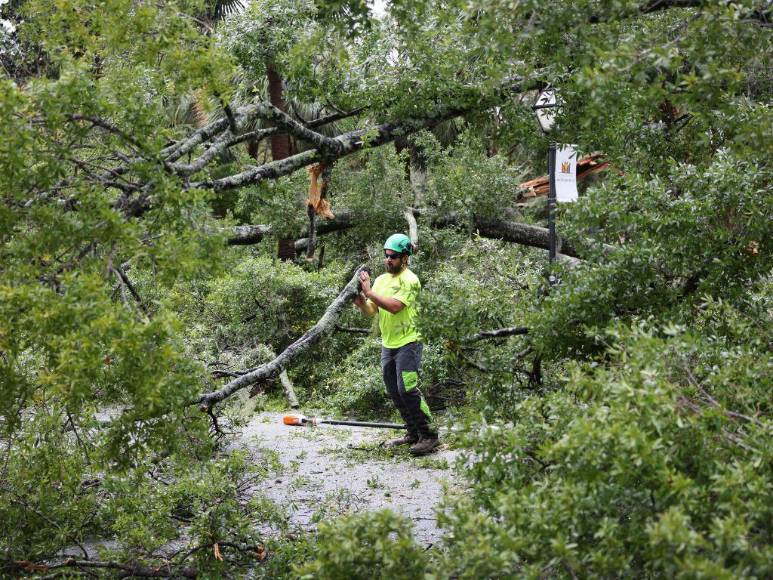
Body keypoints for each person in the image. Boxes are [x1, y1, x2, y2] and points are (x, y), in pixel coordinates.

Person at [353, 233, 440, 456]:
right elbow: (373, 310)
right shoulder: (381, 280)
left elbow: (394, 307)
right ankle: (412, 432)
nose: (388, 260)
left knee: (407, 389)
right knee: (393, 390)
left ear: (404, 258)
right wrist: (360, 300)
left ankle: (429, 435)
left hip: (409, 342)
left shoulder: (410, 280)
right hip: (388, 343)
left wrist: (369, 291)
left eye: (393, 256)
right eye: (386, 256)